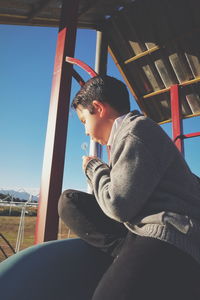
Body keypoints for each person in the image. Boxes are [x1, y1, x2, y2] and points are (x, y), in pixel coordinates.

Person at [58, 75, 200, 300]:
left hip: (169, 231)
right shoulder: (129, 137)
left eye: (84, 121)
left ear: (98, 108)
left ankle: (128, 255)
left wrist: (95, 168)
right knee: (69, 202)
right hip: (139, 228)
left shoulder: (136, 130)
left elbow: (118, 205)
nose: (86, 130)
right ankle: (125, 252)